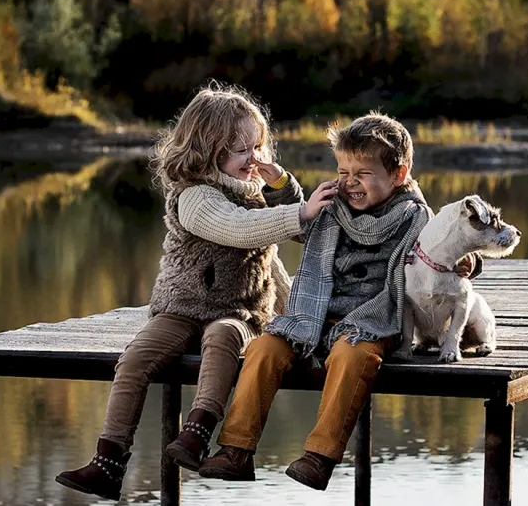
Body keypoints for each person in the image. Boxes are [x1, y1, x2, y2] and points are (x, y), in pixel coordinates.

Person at [55, 83, 337, 501]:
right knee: (135, 358)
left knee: (221, 338)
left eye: (258, 147)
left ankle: (198, 431)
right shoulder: (195, 197)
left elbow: (303, 232)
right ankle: (108, 461)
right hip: (181, 305)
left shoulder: (256, 191)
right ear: (210, 150)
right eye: (242, 149)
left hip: (240, 309)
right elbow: (238, 228)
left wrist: (284, 186)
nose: (254, 158)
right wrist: (298, 211)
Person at [199, 111, 478, 491]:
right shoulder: (334, 204)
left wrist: (469, 261)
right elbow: (301, 221)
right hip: (314, 314)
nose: (350, 183)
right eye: (344, 172)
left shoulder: (416, 219)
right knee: (264, 347)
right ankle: (236, 449)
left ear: (398, 174)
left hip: (372, 319)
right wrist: (279, 182)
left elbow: (445, 246)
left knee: (353, 357)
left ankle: (320, 455)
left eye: (362, 174)